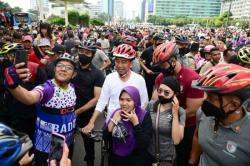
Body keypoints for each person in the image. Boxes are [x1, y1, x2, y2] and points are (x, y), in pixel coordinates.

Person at [4, 52, 78, 166]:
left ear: (74, 74)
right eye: (60, 66)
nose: (63, 69)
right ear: (54, 69)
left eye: (68, 68)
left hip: (67, 143)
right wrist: (12, 85)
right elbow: (29, 97)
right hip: (46, 147)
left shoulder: (72, 87)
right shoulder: (47, 88)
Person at [152, 42, 204, 166]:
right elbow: (154, 101)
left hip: (187, 128)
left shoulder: (192, 79)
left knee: (182, 159)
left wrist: (170, 117)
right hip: (165, 128)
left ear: (174, 60)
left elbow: (192, 110)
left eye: (163, 64)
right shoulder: (160, 77)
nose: (161, 68)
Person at [189, 64, 250, 166]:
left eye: (211, 98)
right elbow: (197, 135)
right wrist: (192, 160)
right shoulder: (202, 113)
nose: (205, 101)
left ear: (233, 105)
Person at [83, 44, 148, 134]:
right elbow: (102, 101)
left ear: (131, 64)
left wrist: (135, 121)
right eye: (117, 61)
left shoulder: (139, 80)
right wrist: (91, 122)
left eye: (124, 62)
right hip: (111, 124)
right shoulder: (109, 78)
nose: (120, 65)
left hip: (131, 125)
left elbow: (144, 104)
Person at [72, 40, 105, 166]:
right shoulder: (72, 67)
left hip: (86, 113)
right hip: (67, 111)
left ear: (92, 54)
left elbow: (97, 98)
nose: (83, 54)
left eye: (87, 52)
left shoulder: (97, 74)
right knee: (64, 141)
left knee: (88, 143)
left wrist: (78, 111)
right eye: (81, 51)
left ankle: (90, 162)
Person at [106, 86, 152, 166]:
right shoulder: (117, 112)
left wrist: (136, 123)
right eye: (121, 99)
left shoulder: (143, 115)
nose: (124, 103)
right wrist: (113, 121)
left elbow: (144, 144)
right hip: (116, 159)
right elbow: (106, 138)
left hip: (136, 160)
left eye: (128, 100)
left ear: (135, 100)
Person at [147, 76, 186, 166]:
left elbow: (176, 140)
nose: (162, 94)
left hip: (167, 159)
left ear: (175, 94)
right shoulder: (151, 105)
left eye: (166, 92)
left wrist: (175, 113)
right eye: (159, 91)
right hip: (149, 154)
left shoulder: (181, 112)